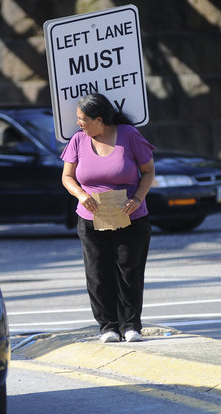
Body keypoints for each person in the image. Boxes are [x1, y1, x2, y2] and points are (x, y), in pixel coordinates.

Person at [60, 93, 155, 343]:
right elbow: (67, 177)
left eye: (82, 119)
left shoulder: (129, 135)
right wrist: (81, 195)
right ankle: (108, 326)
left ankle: (131, 325)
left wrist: (136, 199)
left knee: (129, 270)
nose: (78, 123)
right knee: (97, 272)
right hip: (91, 219)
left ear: (99, 119)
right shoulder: (78, 140)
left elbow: (148, 171)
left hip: (130, 218)